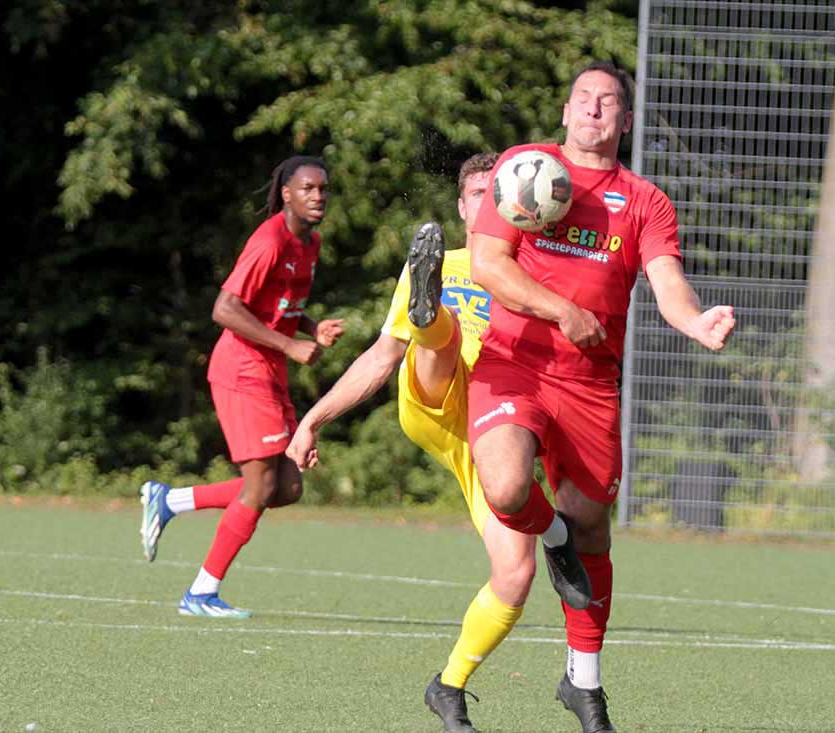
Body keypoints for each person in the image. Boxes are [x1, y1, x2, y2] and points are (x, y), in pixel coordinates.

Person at [468, 61, 737, 733]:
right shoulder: (523, 171)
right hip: (515, 363)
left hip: (589, 382)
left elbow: (667, 280)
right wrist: (560, 310)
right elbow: (488, 264)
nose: (593, 109)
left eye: (608, 102)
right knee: (505, 489)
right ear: (565, 111)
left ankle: (584, 686)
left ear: (624, 121)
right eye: (583, 99)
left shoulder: (644, 200)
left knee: (591, 523)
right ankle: (549, 533)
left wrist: (695, 320)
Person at [287, 153, 556, 733]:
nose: (488, 200)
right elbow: (381, 357)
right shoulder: (449, 260)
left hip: (494, 431)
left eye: (499, 192)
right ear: (462, 208)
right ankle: (430, 313)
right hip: (432, 397)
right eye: (478, 192)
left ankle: (448, 685)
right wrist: (313, 418)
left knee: (516, 573)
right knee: (441, 338)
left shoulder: (534, 273)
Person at [139, 155, 344, 618]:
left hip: (270, 371)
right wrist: (290, 346)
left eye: (323, 189)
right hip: (242, 370)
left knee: (287, 487)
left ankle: (169, 500)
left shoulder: (310, 242)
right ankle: (201, 593)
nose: (318, 196)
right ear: (287, 193)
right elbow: (226, 308)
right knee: (260, 485)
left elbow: (276, 303)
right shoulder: (269, 240)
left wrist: (311, 328)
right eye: (308, 188)